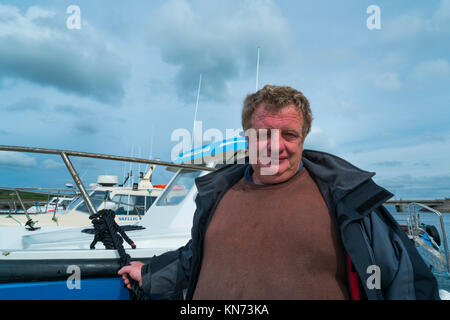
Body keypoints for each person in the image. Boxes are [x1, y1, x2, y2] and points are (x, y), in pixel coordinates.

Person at [118, 85, 440, 300]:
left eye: (288, 134)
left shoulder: (346, 199)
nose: (276, 146)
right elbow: (196, 259)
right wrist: (148, 275)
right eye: (264, 134)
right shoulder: (216, 195)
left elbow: (405, 280)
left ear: (302, 140)